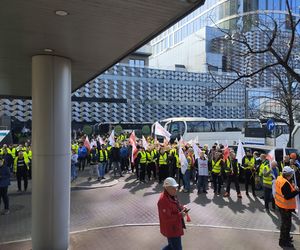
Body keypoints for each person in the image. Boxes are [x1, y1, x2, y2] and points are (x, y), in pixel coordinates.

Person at [157, 177, 189, 250]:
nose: (176, 190)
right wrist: (181, 215)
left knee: (171, 246)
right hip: (172, 229)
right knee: (177, 248)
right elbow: (167, 218)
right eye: (173, 188)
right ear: (167, 188)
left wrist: (182, 207)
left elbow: (176, 204)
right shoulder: (163, 201)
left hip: (175, 227)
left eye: (176, 187)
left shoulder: (171, 195)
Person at [274, 166, 299, 248]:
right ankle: (283, 241)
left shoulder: (280, 178)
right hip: (285, 207)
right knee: (286, 225)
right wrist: (296, 191)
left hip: (282, 206)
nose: (292, 175)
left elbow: (286, 188)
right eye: (291, 174)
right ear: (288, 175)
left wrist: (292, 185)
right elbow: (287, 196)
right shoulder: (285, 183)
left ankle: (286, 238)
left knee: (287, 224)